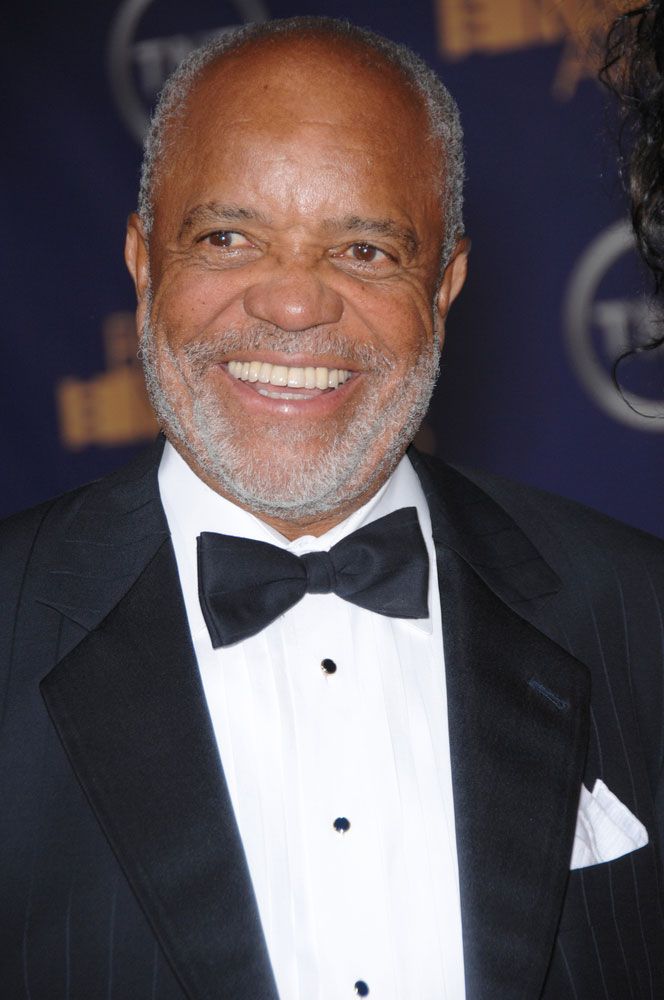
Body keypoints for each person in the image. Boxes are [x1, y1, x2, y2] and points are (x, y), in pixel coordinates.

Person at [2, 16, 664, 1000]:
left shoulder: (637, 611)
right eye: (229, 237)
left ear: (444, 284)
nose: (294, 305)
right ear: (144, 263)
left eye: (361, 250)